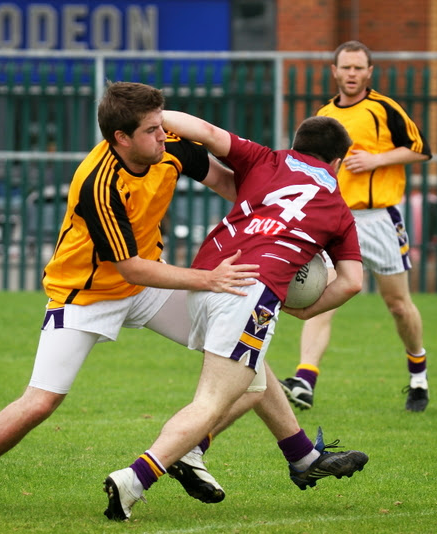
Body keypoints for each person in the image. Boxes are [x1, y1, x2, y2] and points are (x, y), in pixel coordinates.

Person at [0, 81, 261, 512]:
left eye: (162, 125)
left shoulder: (171, 146)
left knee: (245, 362)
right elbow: (129, 266)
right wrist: (208, 279)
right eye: (151, 130)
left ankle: (262, 453)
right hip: (86, 293)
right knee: (41, 401)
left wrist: (280, 216)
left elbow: (228, 183)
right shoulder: (98, 182)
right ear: (120, 139)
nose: (163, 135)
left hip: (145, 287)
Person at [103, 110, 369, 521]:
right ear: (336, 163)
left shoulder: (269, 159)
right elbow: (352, 281)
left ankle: (301, 456)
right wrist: (302, 309)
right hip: (250, 293)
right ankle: (134, 478)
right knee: (211, 401)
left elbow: (206, 132)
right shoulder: (336, 206)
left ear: (296, 143)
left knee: (253, 380)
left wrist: (150, 116)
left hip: (208, 279)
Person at [279, 40, 433, 413]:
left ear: (369, 72)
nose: (351, 74)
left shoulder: (384, 108)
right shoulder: (325, 115)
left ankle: (418, 374)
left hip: (380, 218)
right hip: (337, 219)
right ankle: (305, 379)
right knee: (321, 300)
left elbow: (420, 148)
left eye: (358, 68)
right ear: (334, 71)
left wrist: (377, 160)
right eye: (345, 67)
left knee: (397, 304)